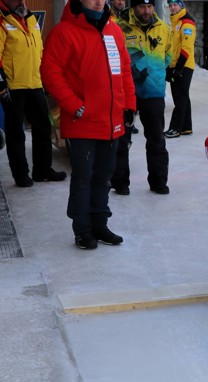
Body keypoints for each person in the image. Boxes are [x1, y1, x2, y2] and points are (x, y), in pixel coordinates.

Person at [40, 0, 136, 249]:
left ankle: (100, 225)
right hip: (82, 121)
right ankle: (82, 229)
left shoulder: (113, 30)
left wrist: (129, 106)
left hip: (111, 119)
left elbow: (124, 69)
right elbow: (50, 72)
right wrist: (75, 105)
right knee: (84, 177)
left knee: (104, 176)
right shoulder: (64, 32)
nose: (98, 1)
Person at [0, 0, 67, 188]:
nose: (21, 2)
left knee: (43, 127)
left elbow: (40, 51)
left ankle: (43, 169)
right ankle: (21, 175)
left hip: (35, 83)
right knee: (16, 133)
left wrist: (45, 77)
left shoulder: (31, 20)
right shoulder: (2, 22)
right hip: (13, 87)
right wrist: (1, 85)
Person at [112, 0, 172, 195]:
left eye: (149, 7)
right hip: (126, 92)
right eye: (141, 7)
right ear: (133, 7)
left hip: (153, 92)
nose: (146, 11)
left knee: (156, 139)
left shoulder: (163, 28)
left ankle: (158, 181)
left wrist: (155, 74)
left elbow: (168, 55)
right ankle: (120, 182)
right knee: (121, 138)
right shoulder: (120, 27)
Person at [163, 0, 195, 138]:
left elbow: (186, 46)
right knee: (183, 96)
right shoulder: (174, 23)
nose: (172, 8)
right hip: (174, 64)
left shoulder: (186, 22)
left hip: (184, 65)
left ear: (181, 6)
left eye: (175, 5)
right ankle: (186, 127)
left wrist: (179, 67)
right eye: (170, 5)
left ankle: (175, 128)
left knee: (180, 97)